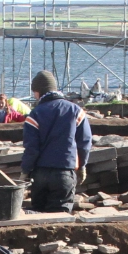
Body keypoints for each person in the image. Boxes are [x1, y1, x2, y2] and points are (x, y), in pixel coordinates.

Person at [22, 70, 92, 214]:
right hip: (64, 172)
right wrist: (82, 166)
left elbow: (31, 148)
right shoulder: (75, 111)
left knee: (37, 217)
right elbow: (84, 142)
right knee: (59, 219)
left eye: (34, 92)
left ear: (38, 92)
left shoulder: (35, 114)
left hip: (40, 174)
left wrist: (25, 171)